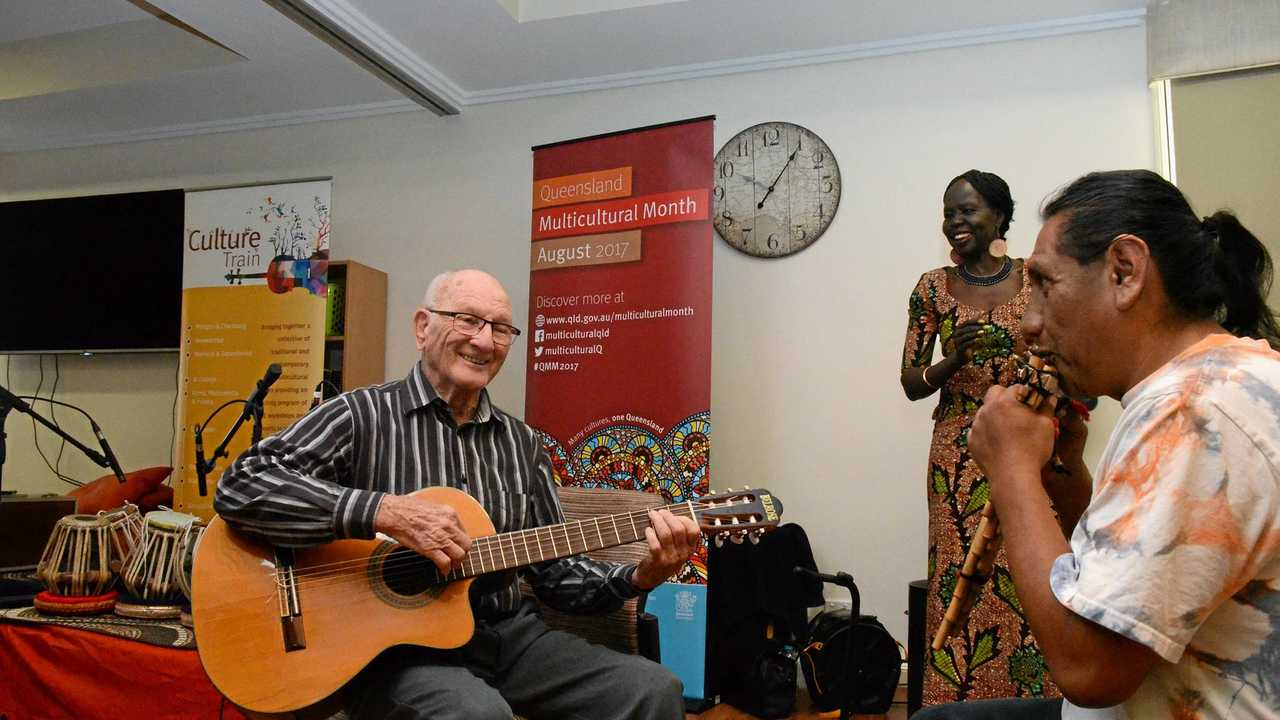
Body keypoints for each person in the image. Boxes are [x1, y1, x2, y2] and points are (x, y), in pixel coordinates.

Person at [215, 269, 699, 720]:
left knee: (653, 690)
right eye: (468, 320)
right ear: (423, 326)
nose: (484, 341)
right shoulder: (360, 415)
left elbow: (557, 576)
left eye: (502, 329)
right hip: (397, 655)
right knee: (475, 715)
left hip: (508, 638)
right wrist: (382, 511)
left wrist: (641, 575)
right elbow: (242, 483)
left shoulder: (523, 444)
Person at [920, 169, 1280, 719]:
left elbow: (1090, 669)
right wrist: (1063, 477)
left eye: (1044, 284)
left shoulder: (1191, 411)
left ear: (1125, 271)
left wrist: (1013, 471)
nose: (1029, 325)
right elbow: (1135, 573)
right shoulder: (1225, 375)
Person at [901, 170, 1060, 704]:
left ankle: (1038, 702)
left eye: (967, 211)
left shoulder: (1035, 277)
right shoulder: (931, 287)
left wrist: (1026, 372)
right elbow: (910, 384)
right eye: (948, 213)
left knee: (1029, 566)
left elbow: (1061, 355)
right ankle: (955, 704)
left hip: (1029, 443)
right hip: (956, 457)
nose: (955, 222)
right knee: (957, 572)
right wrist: (954, 360)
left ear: (999, 215)